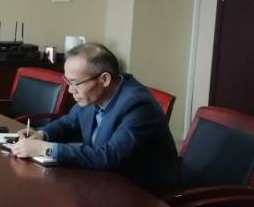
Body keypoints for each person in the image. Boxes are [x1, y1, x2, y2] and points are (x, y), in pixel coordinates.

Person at [11, 42, 181, 194]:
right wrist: (41, 135)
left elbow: (110, 157)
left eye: (75, 83)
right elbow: (69, 123)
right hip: (103, 182)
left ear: (104, 79)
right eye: (68, 82)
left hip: (142, 194)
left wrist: (44, 148)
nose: (70, 90)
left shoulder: (137, 105)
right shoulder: (95, 94)